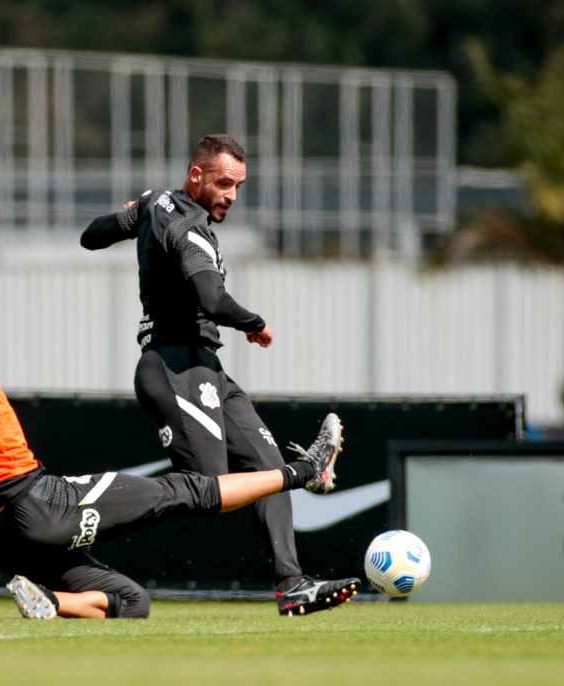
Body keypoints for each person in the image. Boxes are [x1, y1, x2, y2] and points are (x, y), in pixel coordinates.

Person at [0, 268, 357, 619]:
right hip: (39, 504)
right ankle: (305, 471)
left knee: (133, 601)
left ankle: (49, 603)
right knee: (187, 490)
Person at [80, 133, 359, 616]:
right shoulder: (189, 229)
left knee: (269, 469)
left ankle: (291, 582)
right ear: (197, 175)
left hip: (206, 366)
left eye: (238, 186)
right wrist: (256, 323)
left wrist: (135, 213)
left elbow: (92, 235)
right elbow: (212, 300)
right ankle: (78, 515)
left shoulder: (154, 202)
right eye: (224, 183)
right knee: (208, 489)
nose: (231, 195)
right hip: (175, 366)